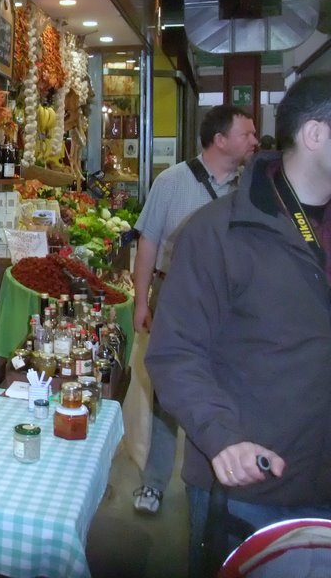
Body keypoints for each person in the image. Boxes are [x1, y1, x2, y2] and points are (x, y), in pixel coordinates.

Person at [146, 73, 331, 571]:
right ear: (316, 135)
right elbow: (174, 351)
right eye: (243, 132)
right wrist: (221, 435)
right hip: (250, 489)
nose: (252, 140)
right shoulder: (217, 232)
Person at [129, 104, 257, 515]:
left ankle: (212, 482)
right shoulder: (171, 181)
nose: (255, 141)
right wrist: (142, 300)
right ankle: (154, 482)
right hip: (176, 295)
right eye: (247, 134)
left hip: (232, 302)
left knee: (225, 387)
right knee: (171, 391)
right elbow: (147, 242)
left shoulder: (251, 189)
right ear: (220, 140)